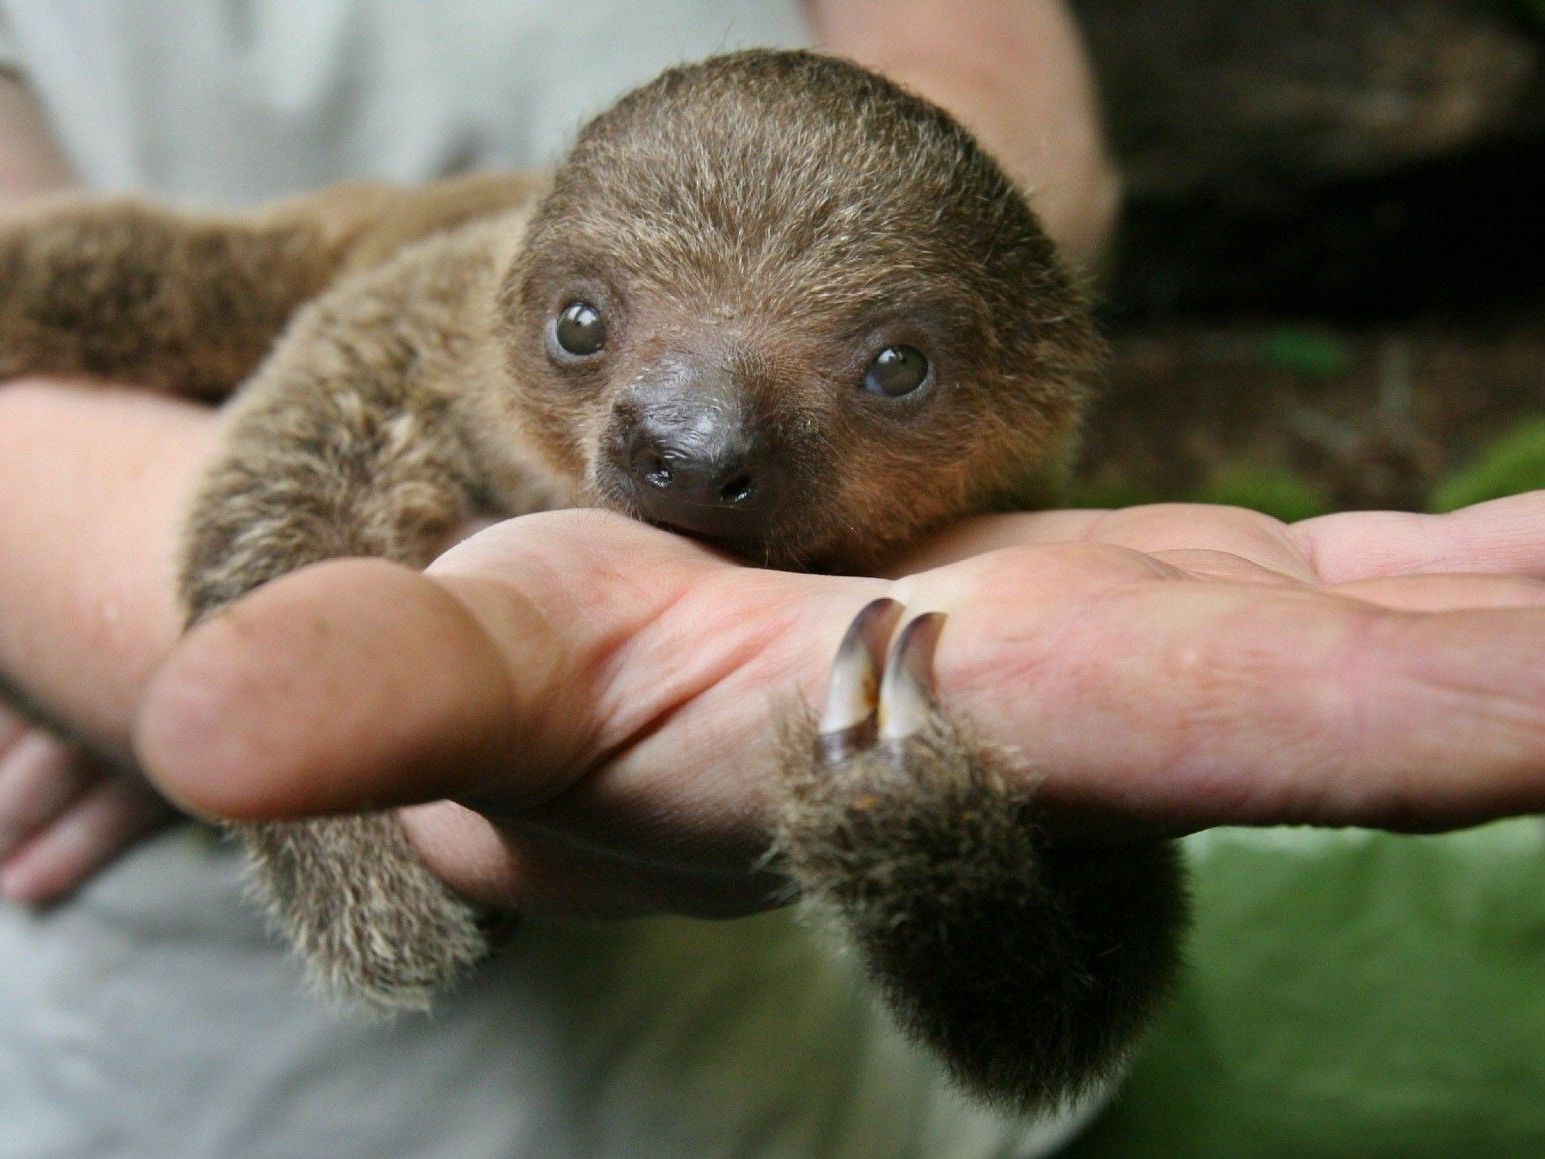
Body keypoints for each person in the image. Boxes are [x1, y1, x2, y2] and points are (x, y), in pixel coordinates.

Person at [2, 1, 1544, 1153]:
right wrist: (140, 649)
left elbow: (1046, 1027)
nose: (690, 444)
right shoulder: (438, 297)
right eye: (589, 340)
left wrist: (924, 862)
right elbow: (141, 363)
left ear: (1040, 382)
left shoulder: (987, 525)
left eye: (888, 373)